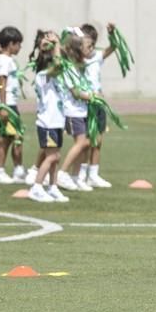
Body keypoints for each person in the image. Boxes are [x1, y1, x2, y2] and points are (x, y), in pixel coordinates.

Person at [26, 30, 70, 202]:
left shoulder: (54, 76)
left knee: (56, 156)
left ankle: (53, 187)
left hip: (56, 121)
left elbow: (61, 63)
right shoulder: (43, 75)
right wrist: (56, 45)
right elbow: (59, 64)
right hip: (47, 122)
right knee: (52, 156)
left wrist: (55, 45)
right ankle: (37, 187)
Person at [79, 23, 117, 188]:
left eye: (93, 43)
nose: (91, 47)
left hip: (98, 103)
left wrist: (112, 34)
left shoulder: (97, 57)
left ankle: (93, 174)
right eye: (87, 42)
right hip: (85, 103)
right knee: (85, 141)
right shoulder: (75, 61)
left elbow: (114, 46)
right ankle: (80, 173)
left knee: (98, 139)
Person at [56, 29, 94, 191]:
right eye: (88, 47)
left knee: (85, 144)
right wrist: (92, 97)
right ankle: (62, 173)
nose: (90, 50)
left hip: (82, 111)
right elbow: (75, 92)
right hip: (72, 111)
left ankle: (75, 177)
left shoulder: (80, 67)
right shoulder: (69, 68)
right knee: (82, 142)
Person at [0, 26, 25, 184]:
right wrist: (3, 106)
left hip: (11, 103)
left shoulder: (7, 60)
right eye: (18, 44)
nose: (20, 48)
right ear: (11, 43)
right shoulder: (4, 60)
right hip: (8, 105)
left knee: (13, 137)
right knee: (6, 138)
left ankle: (8, 170)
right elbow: (2, 83)